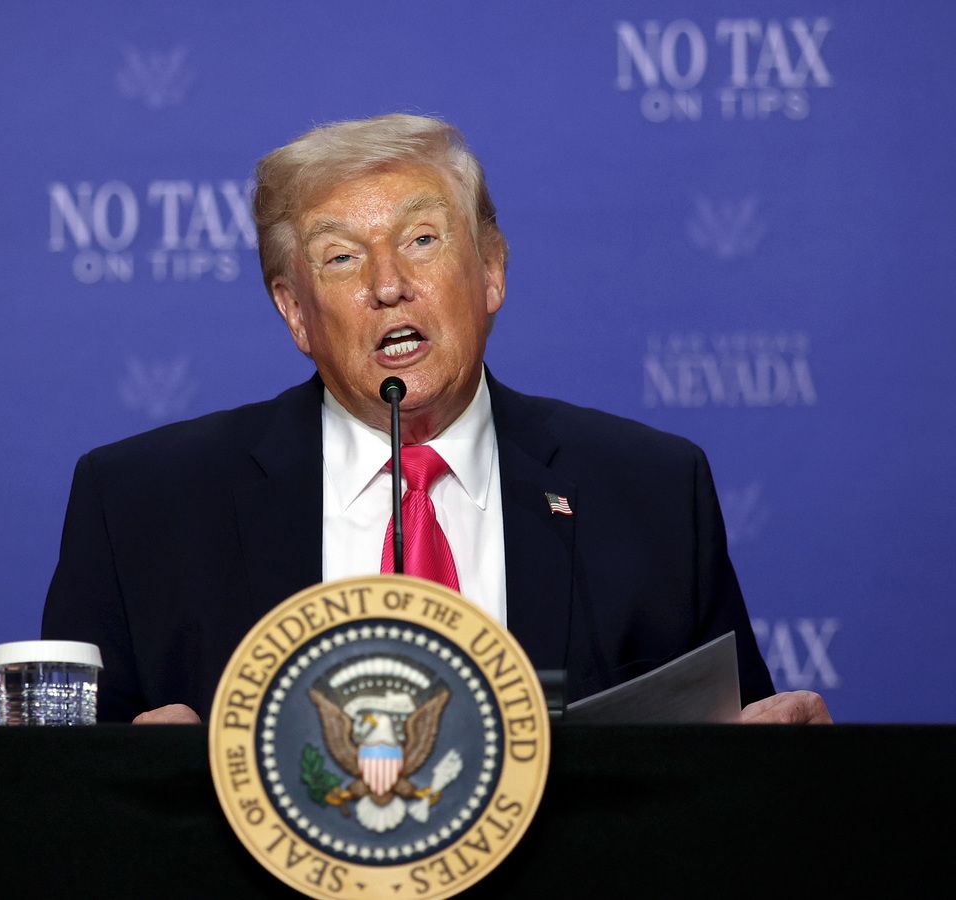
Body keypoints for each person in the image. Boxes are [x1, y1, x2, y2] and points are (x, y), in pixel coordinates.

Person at [42, 113, 831, 727]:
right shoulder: (142, 504)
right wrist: (140, 779)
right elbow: (62, 807)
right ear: (294, 312)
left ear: (490, 272)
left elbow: (729, 777)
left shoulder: (652, 492)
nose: (389, 284)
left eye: (422, 239)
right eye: (341, 257)